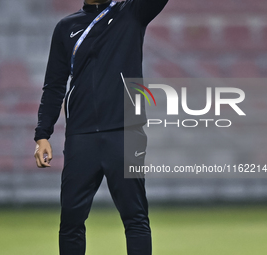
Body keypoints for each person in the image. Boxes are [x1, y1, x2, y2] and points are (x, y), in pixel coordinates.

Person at [34, 0, 169, 254]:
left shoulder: (131, 13)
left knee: (135, 218)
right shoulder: (66, 27)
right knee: (71, 221)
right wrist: (43, 134)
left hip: (126, 132)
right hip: (81, 137)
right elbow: (54, 84)